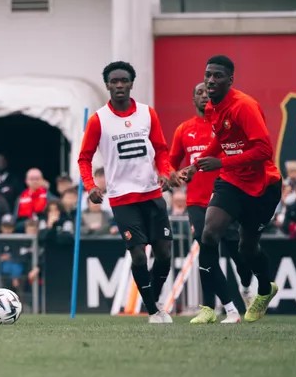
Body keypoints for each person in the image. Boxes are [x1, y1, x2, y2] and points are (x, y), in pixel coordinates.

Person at [180, 55, 283, 324]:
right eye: (208, 75)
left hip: (263, 185)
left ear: (230, 80)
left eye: (217, 76)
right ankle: (208, 307)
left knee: (248, 248)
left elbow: (264, 151)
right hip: (231, 181)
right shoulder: (213, 108)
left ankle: (264, 289)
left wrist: (221, 161)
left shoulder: (244, 107)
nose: (211, 80)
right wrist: (198, 164)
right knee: (209, 233)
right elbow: (221, 139)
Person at [78, 61, 182, 324]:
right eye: (114, 81)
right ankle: (153, 311)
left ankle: (154, 302)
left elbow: (161, 149)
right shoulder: (98, 120)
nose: (119, 85)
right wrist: (90, 187)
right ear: (108, 85)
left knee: (165, 255)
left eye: (124, 80)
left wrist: (164, 171)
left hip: (152, 194)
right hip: (122, 199)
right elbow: (84, 158)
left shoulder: (148, 113)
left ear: (132, 83)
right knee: (137, 255)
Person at [171, 82, 253, 318]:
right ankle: (221, 308)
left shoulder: (227, 125)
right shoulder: (184, 129)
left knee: (240, 255)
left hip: (227, 202)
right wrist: (172, 174)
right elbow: (171, 161)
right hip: (197, 202)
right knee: (207, 254)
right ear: (193, 100)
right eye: (199, 92)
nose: (204, 95)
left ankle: (246, 287)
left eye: (207, 92)